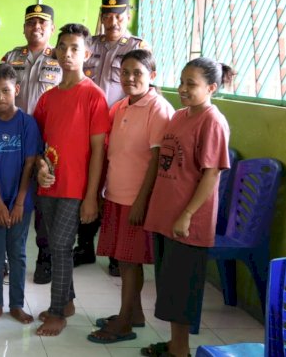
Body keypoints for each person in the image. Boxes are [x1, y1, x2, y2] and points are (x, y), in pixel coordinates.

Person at [140, 57, 232, 357]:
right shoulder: (180, 116)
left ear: (212, 87)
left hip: (187, 222)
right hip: (167, 215)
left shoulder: (213, 121)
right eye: (181, 82)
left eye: (191, 84)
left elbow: (211, 174)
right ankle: (175, 344)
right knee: (169, 287)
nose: (182, 89)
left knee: (182, 290)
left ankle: (180, 352)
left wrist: (188, 214)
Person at [86, 50, 173, 344]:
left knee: (131, 260)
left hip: (136, 200)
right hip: (115, 194)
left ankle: (124, 322)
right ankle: (134, 314)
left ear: (152, 76)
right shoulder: (120, 106)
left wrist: (141, 202)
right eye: (125, 72)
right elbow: (111, 152)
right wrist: (100, 192)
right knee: (123, 260)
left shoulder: (158, 108)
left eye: (137, 72)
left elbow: (157, 160)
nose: (130, 78)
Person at [34, 23, 110, 336]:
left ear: (87, 54)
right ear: (54, 51)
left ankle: (56, 313)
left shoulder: (94, 96)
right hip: (47, 185)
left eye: (75, 48)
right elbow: (37, 144)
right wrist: (40, 166)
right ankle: (67, 302)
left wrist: (92, 196)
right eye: (63, 47)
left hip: (75, 188)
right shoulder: (48, 98)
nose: (67, 54)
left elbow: (98, 151)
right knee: (55, 243)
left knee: (62, 247)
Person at [76, 0, 150, 272]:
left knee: (117, 188)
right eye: (107, 15)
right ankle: (85, 247)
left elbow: (144, 89)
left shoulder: (137, 46)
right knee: (89, 184)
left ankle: (118, 253)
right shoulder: (89, 45)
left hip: (122, 127)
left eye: (118, 15)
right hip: (89, 128)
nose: (112, 21)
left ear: (128, 16)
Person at [0, 63, 41, 325]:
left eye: (5, 91)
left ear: (17, 89)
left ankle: (16, 304)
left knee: (18, 253)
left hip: (21, 203)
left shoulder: (27, 123)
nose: (0, 97)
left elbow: (29, 164)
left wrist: (18, 204)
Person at [1, 4, 61, 285]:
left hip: (50, 141)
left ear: (51, 28)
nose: (36, 27)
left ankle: (45, 258)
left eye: (42, 23)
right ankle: (5, 257)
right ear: (24, 27)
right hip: (15, 140)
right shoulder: (11, 57)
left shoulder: (61, 58)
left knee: (44, 201)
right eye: (30, 23)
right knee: (12, 196)